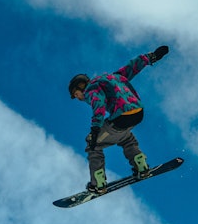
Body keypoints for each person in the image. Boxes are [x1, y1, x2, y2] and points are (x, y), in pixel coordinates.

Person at [68, 45, 169, 192]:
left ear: (81, 86)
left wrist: (95, 130)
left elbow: (99, 104)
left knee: (93, 145)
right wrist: (151, 57)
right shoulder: (113, 77)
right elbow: (132, 67)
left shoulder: (91, 89)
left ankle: (98, 183)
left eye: (77, 94)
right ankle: (141, 166)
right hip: (137, 112)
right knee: (125, 138)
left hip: (121, 117)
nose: (78, 98)